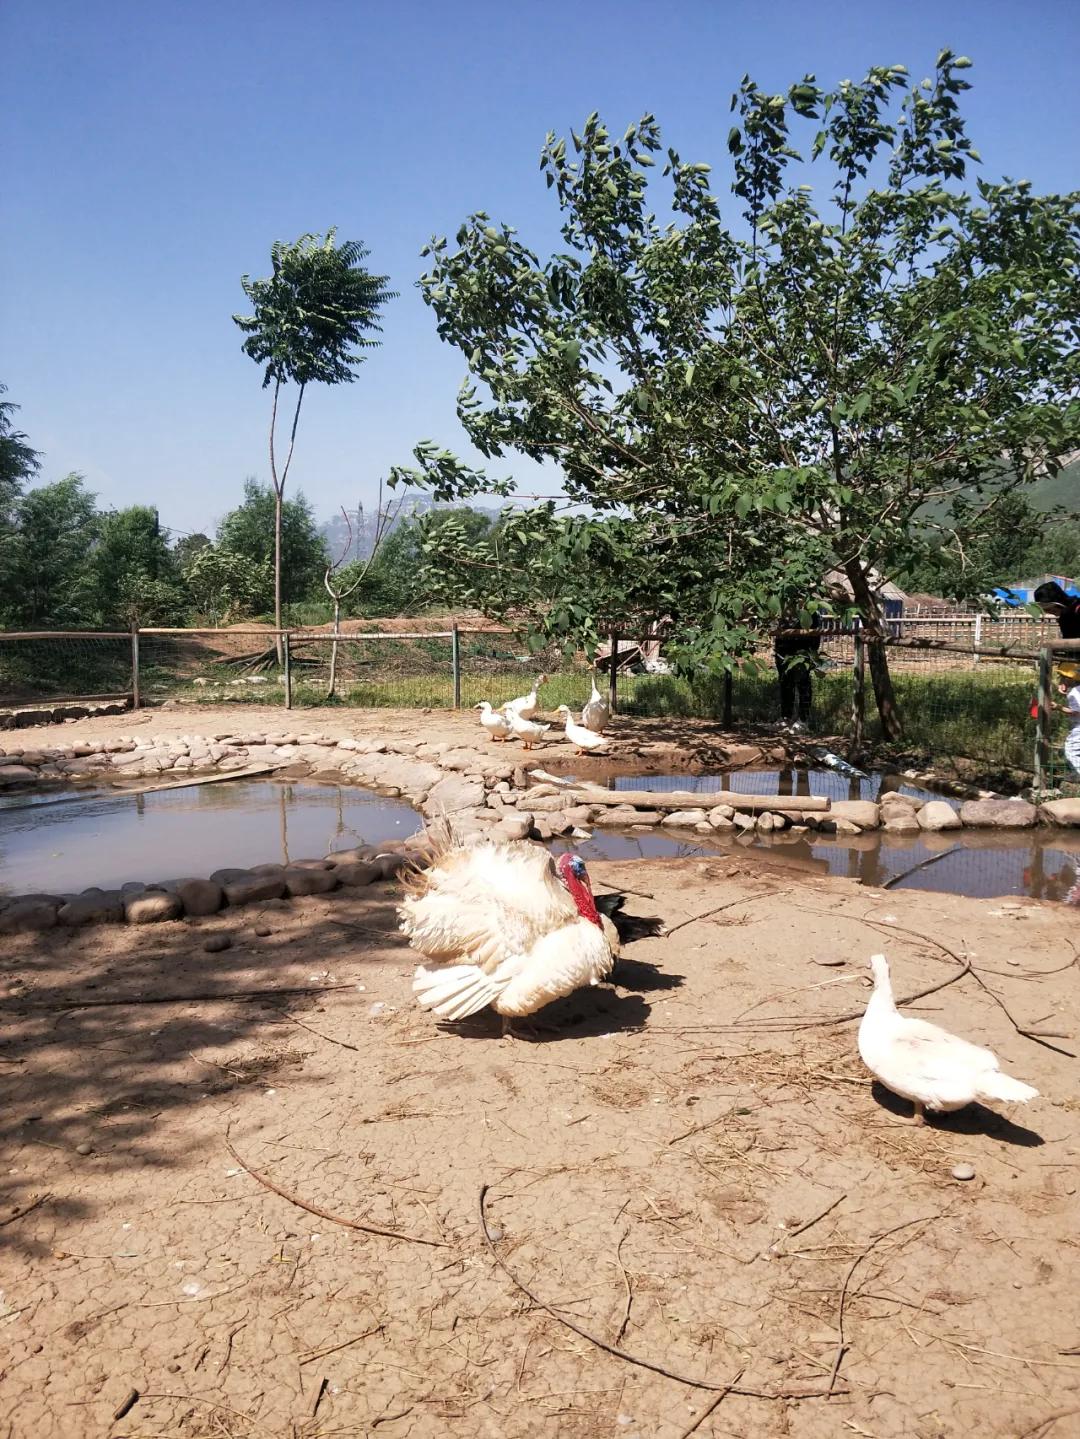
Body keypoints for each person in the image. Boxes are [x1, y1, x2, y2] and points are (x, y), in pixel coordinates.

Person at [774, 610, 822, 730]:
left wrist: (810, 654)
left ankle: (803, 720)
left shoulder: (812, 614)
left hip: (802, 655)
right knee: (785, 683)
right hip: (783, 654)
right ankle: (785, 717)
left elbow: (815, 638)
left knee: (803, 684)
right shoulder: (782, 611)